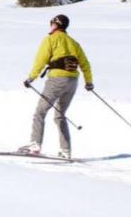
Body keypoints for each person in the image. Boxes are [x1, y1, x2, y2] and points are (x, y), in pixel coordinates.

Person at [19, 15, 93, 159]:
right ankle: (65, 151)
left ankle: (35, 145)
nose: (50, 25)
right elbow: (85, 64)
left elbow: (41, 59)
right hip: (72, 81)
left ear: (55, 25)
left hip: (57, 80)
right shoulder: (74, 43)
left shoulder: (50, 39)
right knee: (60, 116)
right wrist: (89, 82)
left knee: (40, 112)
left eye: (51, 23)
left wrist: (31, 78)